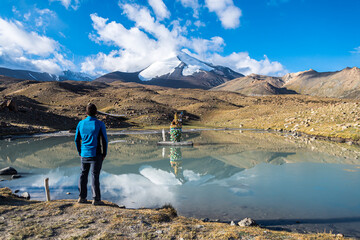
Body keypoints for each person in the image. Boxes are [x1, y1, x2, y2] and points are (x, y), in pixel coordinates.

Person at [75, 103, 108, 205]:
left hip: (84, 154)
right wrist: (104, 153)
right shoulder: (99, 124)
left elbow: (76, 140)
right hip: (96, 154)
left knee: (83, 175)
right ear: (96, 112)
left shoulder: (81, 123)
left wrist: (80, 152)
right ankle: (96, 199)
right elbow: (105, 140)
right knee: (95, 176)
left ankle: (82, 198)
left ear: (86, 113)